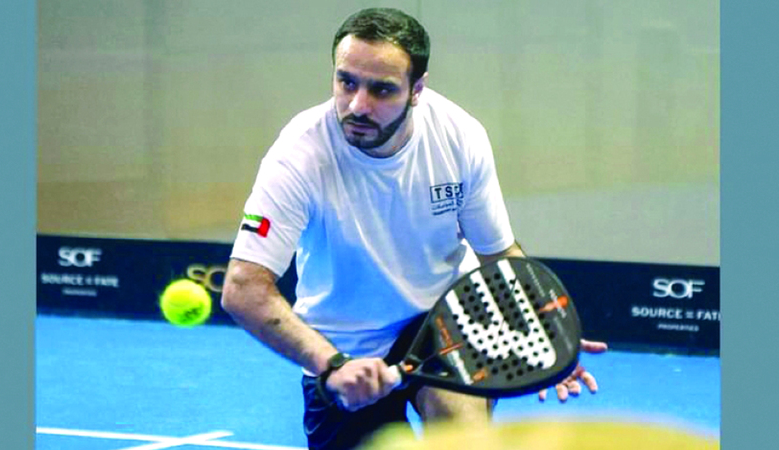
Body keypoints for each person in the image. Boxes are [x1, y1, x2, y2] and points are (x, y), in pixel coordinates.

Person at [221, 7, 608, 450]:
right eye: (346, 82)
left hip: (446, 321)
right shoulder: (298, 155)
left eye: (382, 89)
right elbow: (243, 288)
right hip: (344, 344)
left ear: (417, 90)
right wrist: (332, 364)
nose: (358, 105)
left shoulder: (459, 135)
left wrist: (544, 332)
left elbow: (498, 254)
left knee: (460, 435)